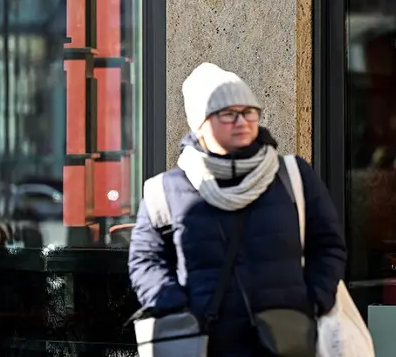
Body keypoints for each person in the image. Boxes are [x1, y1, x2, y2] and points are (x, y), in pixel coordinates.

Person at [128, 62, 347, 356]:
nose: (242, 122)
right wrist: (174, 308)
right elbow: (145, 261)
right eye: (228, 114)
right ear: (200, 125)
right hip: (206, 344)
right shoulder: (165, 191)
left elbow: (329, 245)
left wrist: (313, 301)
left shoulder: (292, 176)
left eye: (248, 112)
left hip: (286, 340)